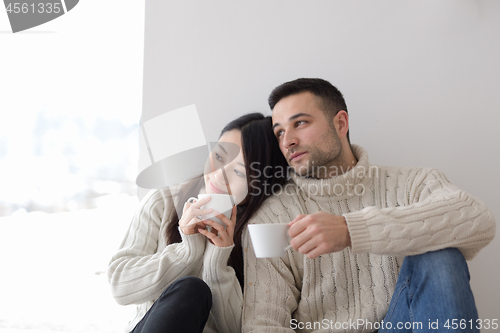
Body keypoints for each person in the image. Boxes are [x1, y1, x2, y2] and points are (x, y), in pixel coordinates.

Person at [242, 78, 496, 333]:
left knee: (441, 254)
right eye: (280, 132)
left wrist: (351, 230)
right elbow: (262, 325)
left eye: (300, 123)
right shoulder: (272, 217)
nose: (288, 141)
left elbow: (478, 220)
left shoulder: (412, 184)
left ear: (340, 123)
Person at [107, 113, 289, 333]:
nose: (220, 175)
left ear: (261, 182)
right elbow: (120, 285)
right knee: (191, 290)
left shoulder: (262, 228)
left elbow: (236, 328)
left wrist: (217, 260)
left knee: (195, 291)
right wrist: (186, 252)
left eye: (240, 171)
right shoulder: (164, 201)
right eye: (219, 157)